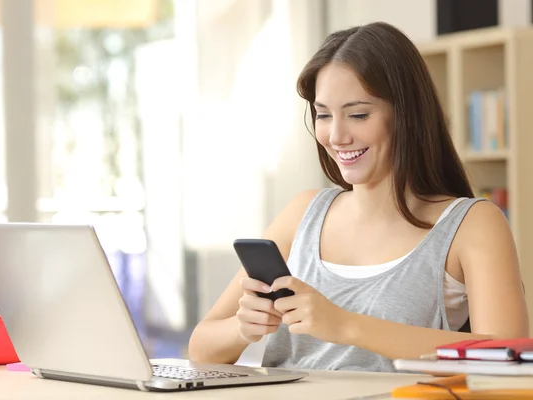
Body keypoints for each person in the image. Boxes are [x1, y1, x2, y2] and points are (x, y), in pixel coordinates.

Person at [187, 22, 529, 372]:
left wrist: (346, 325)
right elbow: (201, 348)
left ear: (406, 115)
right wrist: (242, 328)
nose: (336, 135)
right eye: (323, 115)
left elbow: (508, 356)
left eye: (358, 114)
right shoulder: (303, 213)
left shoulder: (470, 224)